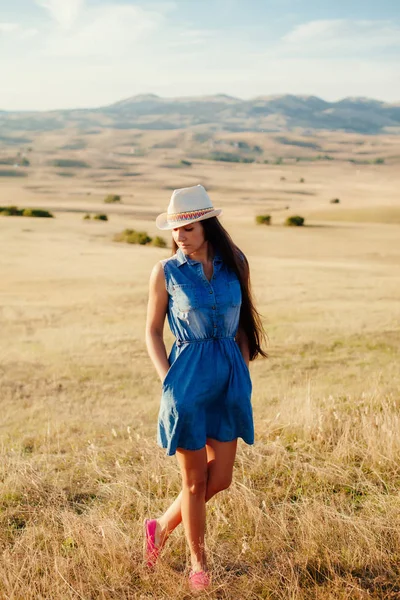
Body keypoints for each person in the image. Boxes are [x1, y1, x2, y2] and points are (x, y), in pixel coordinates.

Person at [144, 184, 267, 592]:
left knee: (222, 478)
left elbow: (245, 321)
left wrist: (243, 368)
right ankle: (198, 565)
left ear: (208, 226)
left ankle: (159, 527)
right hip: (187, 380)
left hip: (231, 377)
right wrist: (169, 380)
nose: (180, 236)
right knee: (195, 481)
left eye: (188, 228)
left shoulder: (237, 264)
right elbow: (151, 332)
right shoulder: (166, 272)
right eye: (176, 230)